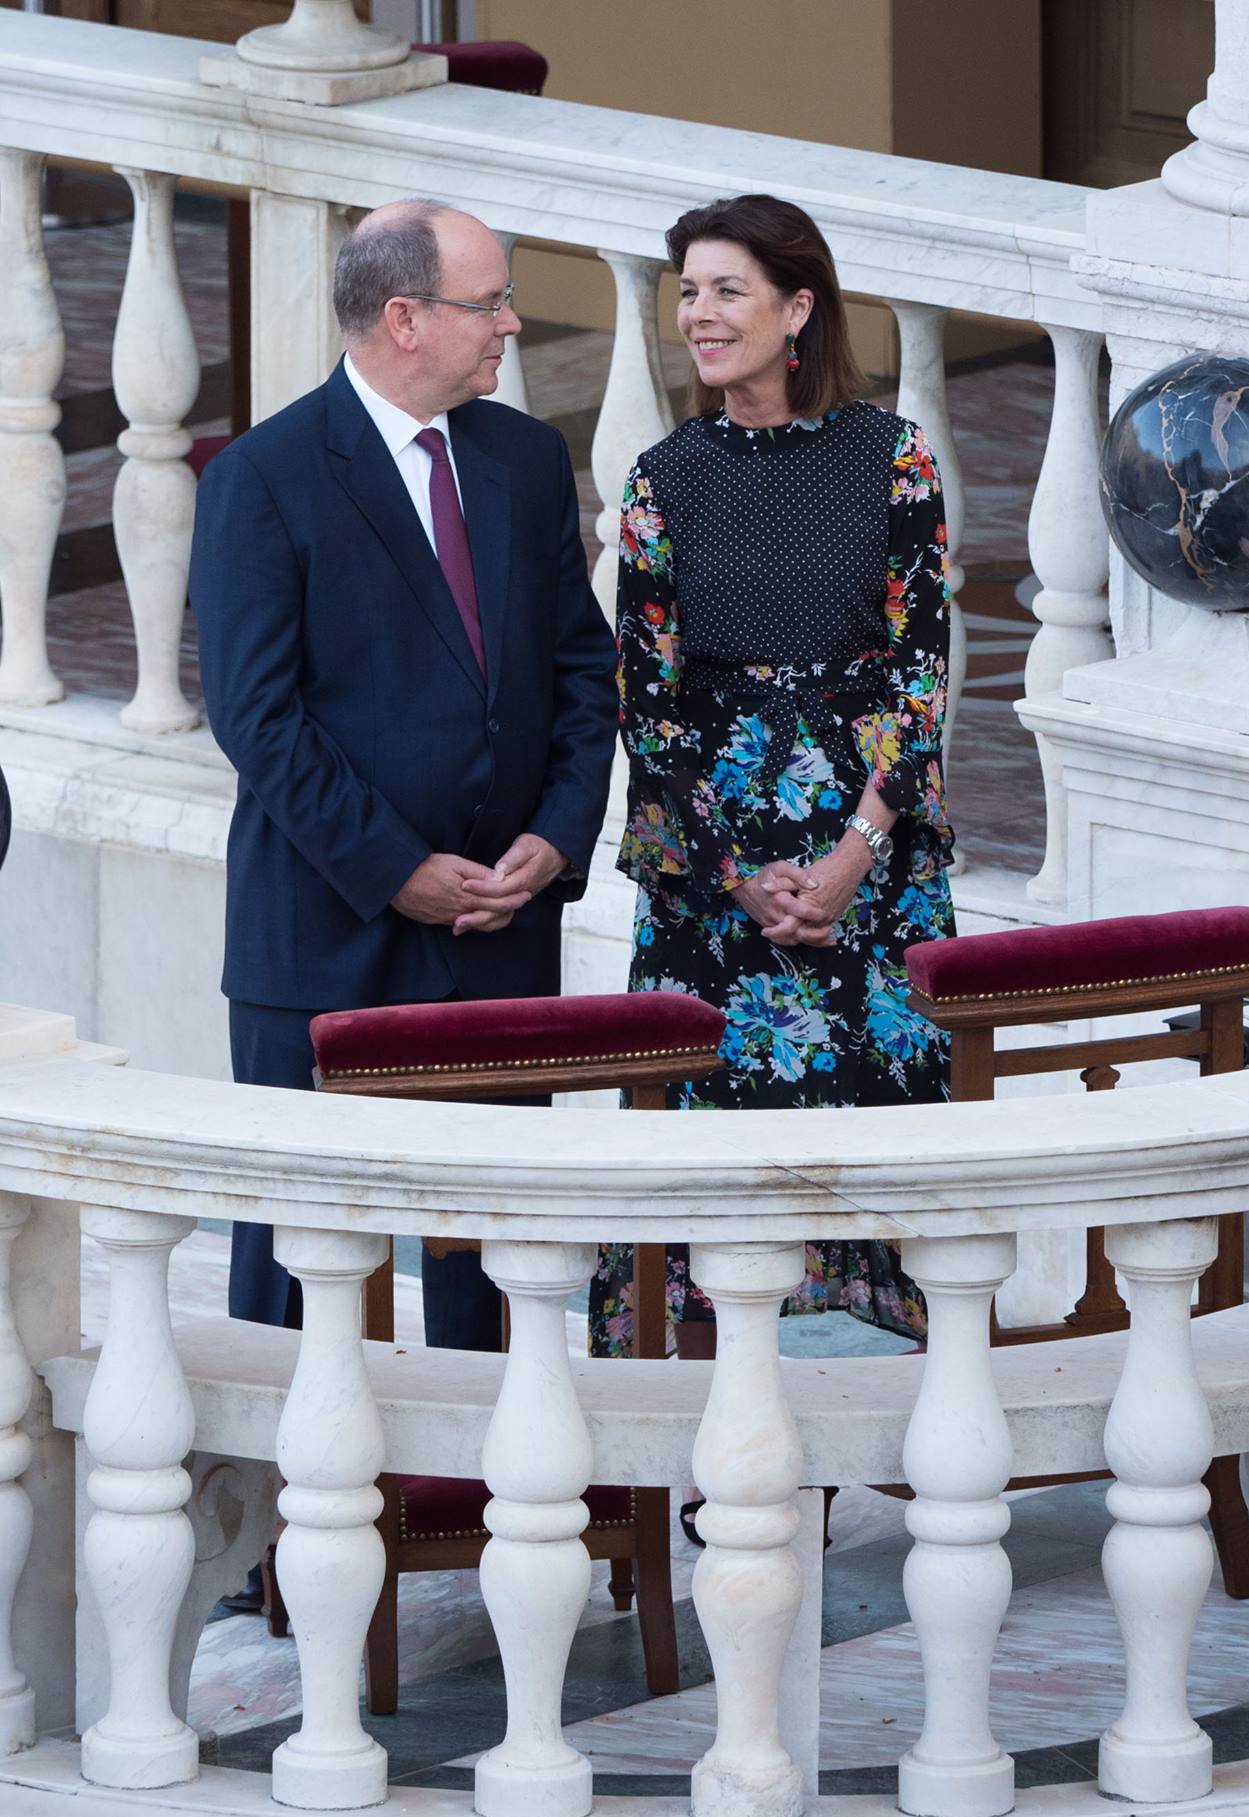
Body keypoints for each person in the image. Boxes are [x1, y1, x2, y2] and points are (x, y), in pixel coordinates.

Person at [191, 198, 617, 1354]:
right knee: (303, 1262)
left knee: (495, 1255)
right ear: (403, 318)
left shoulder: (524, 459)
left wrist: (560, 836)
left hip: (503, 929)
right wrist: (397, 869)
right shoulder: (264, 477)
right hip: (326, 934)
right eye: (489, 304)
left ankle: (493, 1509)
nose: (514, 326)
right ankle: (294, 1528)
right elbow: (257, 716)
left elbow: (584, 669)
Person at [588, 192, 954, 1368]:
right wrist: (741, 876)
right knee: (714, 1162)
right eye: (687, 290)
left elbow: (924, 673)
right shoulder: (660, 480)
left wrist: (853, 853)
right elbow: (647, 702)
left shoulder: (892, 459)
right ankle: (720, 1445)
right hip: (716, 879)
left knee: (875, 1150)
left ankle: (863, 1438)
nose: (698, 312)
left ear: (798, 308)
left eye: (725, 289)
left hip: (871, 866)